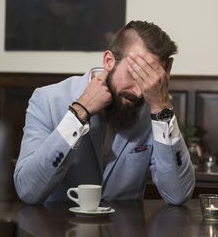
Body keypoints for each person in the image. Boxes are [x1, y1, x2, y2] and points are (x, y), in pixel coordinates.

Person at [14, 20, 195, 205]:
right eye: (135, 75)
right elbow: (28, 191)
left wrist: (161, 107)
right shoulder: (47, 100)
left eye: (149, 79)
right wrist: (79, 113)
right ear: (109, 61)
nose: (139, 92)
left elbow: (178, 195)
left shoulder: (154, 110)